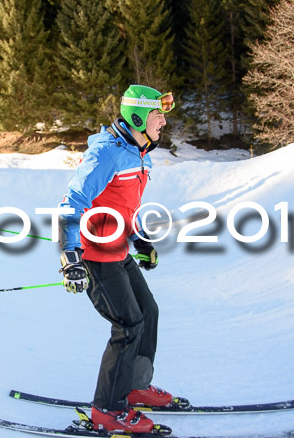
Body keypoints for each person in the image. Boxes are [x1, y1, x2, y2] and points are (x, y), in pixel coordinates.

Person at [58, 86, 186, 434]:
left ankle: (134, 387)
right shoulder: (107, 154)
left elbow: (120, 207)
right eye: (158, 115)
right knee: (128, 326)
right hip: (95, 255)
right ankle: (106, 409)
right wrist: (71, 256)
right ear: (138, 117)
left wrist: (138, 240)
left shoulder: (137, 152)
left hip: (118, 248)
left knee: (149, 313)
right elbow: (72, 202)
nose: (164, 121)